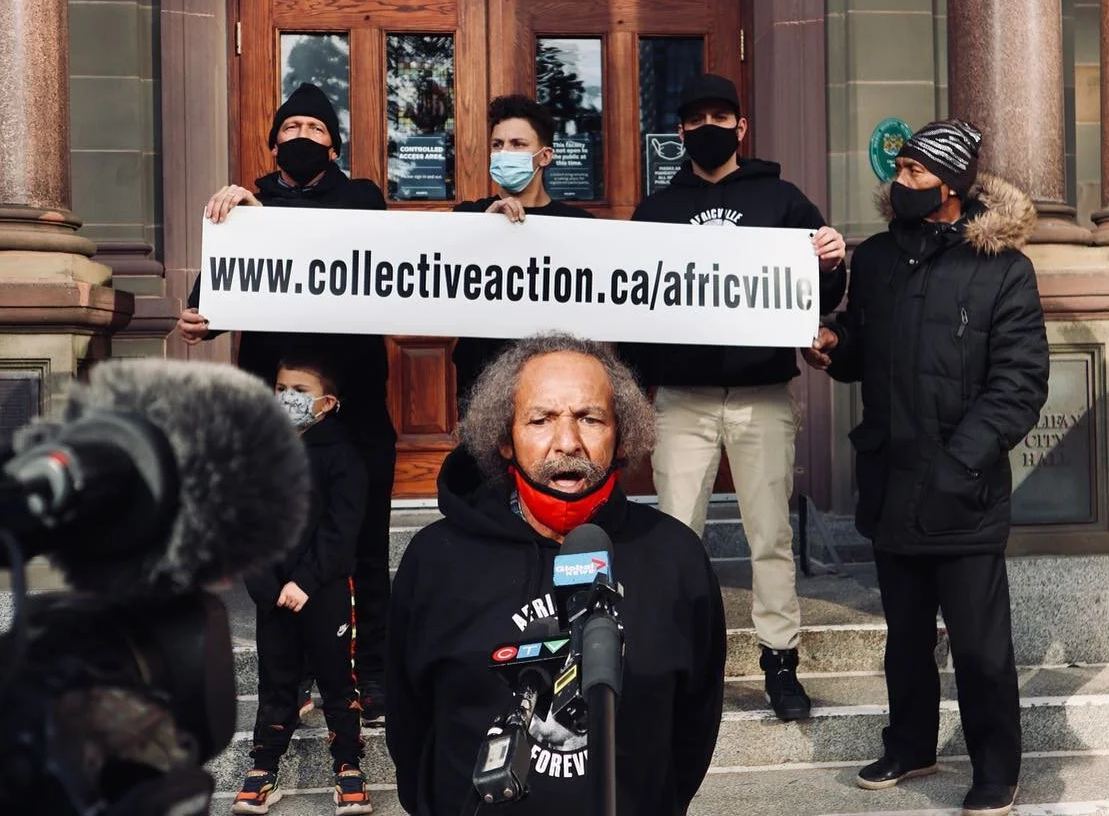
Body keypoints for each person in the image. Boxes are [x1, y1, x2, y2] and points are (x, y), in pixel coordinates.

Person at [806, 119, 1049, 816]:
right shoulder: (877, 258)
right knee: (904, 638)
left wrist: (959, 464)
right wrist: (833, 345)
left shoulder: (1003, 267)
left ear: (951, 184)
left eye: (913, 171)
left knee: (978, 648)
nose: (898, 182)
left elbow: (1019, 383)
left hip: (962, 493)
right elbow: (863, 350)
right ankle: (909, 744)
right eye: (899, 170)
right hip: (890, 482)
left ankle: (995, 767)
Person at [386, 334, 727, 816]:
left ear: (622, 434)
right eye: (541, 420)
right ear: (505, 438)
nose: (567, 442)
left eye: (590, 418)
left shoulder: (676, 558)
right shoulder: (435, 560)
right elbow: (409, 725)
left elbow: (693, 728)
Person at [619, 73, 847, 721]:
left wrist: (830, 262)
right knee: (674, 537)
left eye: (720, 115)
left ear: (741, 127)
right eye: (695, 119)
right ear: (681, 131)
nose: (708, 126)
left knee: (769, 533)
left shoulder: (782, 199)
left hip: (761, 395)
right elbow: (634, 301)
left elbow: (819, 301)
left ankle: (780, 662)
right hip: (682, 398)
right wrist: (633, 390)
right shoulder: (657, 210)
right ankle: (677, 659)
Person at [176, 83, 397, 723]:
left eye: (316, 128)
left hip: (353, 416)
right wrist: (203, 312)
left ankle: (372, 677)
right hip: (278, 423)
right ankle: (294, 676)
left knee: (366, 548)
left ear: (334, 143)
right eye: (291, 127)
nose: (302, 136)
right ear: (273, 142)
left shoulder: (360, 199)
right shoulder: (244, 206)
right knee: (286, 550)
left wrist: (261, 206)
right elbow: (213, 301)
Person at [233, 354, 372, 816]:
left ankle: (348, 765)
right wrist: (267, 586)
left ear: (327, 403)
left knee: (336, 678)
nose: (286, 399)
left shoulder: (343, 458)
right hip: (273, 594)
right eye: (280, 389)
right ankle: (263, 768)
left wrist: (306, 580)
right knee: (277, 679)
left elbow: (341, 527)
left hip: (324, 589)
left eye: (298, 391)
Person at [450, 95, 594, 406]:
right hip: (482, 375)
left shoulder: (580, 225)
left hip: (556, 381)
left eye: (517, 144)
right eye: (497, 144)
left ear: (545, 156)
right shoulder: (467, 215)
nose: (504, 153)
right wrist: (482, 228)